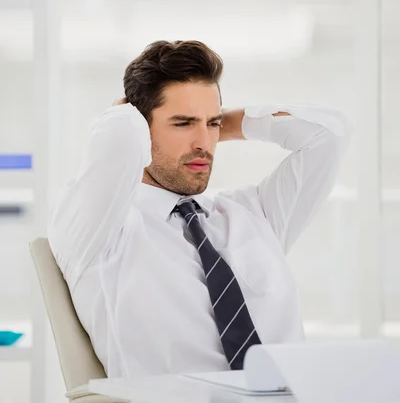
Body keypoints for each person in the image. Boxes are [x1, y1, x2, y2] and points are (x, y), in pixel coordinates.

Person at [48, 39, 352, 378]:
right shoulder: (100, 231)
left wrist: (226, 125)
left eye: (212, 123)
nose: (204, 144)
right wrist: (127, 110)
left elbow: (329, 135)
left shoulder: (253, 214)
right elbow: (117, 138)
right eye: (182, 123)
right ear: (140, 126)